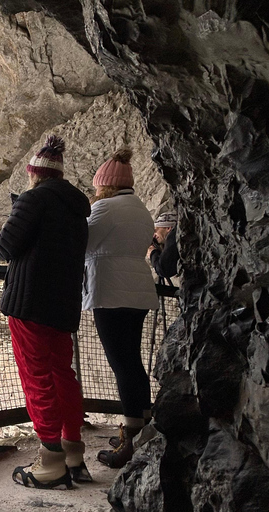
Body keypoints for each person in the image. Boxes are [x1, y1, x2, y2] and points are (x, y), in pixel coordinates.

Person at [0, 135, 91, 489]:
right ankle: (73, 452)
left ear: (34, 174)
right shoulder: (77, 210)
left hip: (28, 303)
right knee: (61, 374)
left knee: (36, 377)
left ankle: (50, 462)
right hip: (62, 305)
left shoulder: (32, 200)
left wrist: (17, 207)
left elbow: (5, 247)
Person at [82, 147, 159, 469]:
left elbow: (82, 243)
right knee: (133, 363)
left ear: (105, 185)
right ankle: (139, 430)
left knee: (122, 365)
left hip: (111, 291)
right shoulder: (140, 209)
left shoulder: (105, 208)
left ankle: (130, 442)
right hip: (138, 290)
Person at [147, 211, 178, 283]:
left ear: (168, 228)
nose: (154, 235)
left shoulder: (174, 235)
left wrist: (153, 253)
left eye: (155, 230)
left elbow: (164, 269)